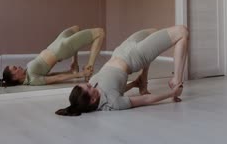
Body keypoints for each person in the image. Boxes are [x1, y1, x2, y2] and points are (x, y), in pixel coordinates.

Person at [56, 25, 188, 116]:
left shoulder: (99, 90)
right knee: (182, 31)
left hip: (122, 49)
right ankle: (177, 79)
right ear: (92, 100)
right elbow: (145, 99)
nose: (90, 83)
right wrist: (171, 93)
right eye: (89, 87)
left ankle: (142, 81)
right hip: (135, 56)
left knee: (154, 31)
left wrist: (134, 85)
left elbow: (116, 88)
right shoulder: (113, 103)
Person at [0, 26, 104, 87]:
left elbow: (52, 74)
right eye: (15, 69)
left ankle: (75, 63)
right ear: (15, 77)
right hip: (61, 48)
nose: (18, 67)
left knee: (76, 28)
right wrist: (81, 74)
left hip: (55, 44)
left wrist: (71, 72)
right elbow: (56, 79)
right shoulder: (33, 80)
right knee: (100, 32)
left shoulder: (28, 73)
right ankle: (90, 67)